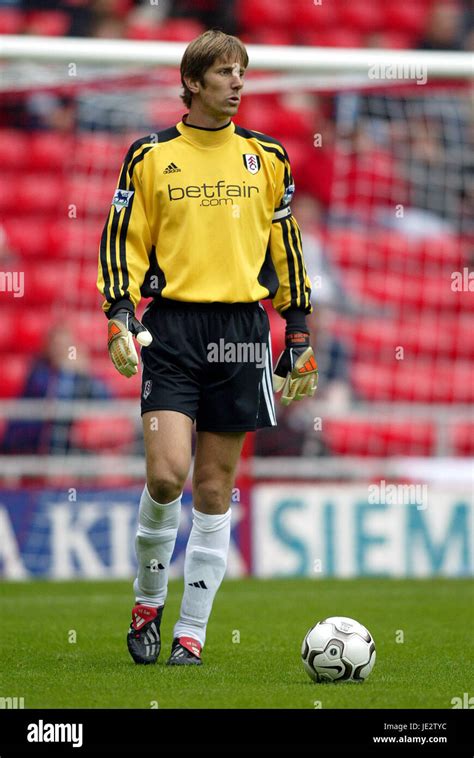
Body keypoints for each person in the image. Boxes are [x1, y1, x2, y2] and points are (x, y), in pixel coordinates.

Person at [97, 30, 318, 667]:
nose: (238, 83)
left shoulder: (268, 155)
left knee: (216, 489)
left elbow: (287, 250)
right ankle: (147, 603)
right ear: (193, 82)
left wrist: (297, 330)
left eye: (242, 72)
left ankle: (191, 633)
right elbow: (123, 240)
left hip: (242, 332)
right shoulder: (149, 155)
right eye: (225, 72)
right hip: (170, 331)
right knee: (167, 476)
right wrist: (119, 312)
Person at [2, 324, 110, 454]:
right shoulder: (38, 372)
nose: (61, 350)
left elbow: (105, 399)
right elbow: (57, 400)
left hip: (70, 443)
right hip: (33, 440)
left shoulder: (81, 374)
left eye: (66, 345)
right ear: (48, 347)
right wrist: (66, 371)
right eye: (57, 345)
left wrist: (85, 373)